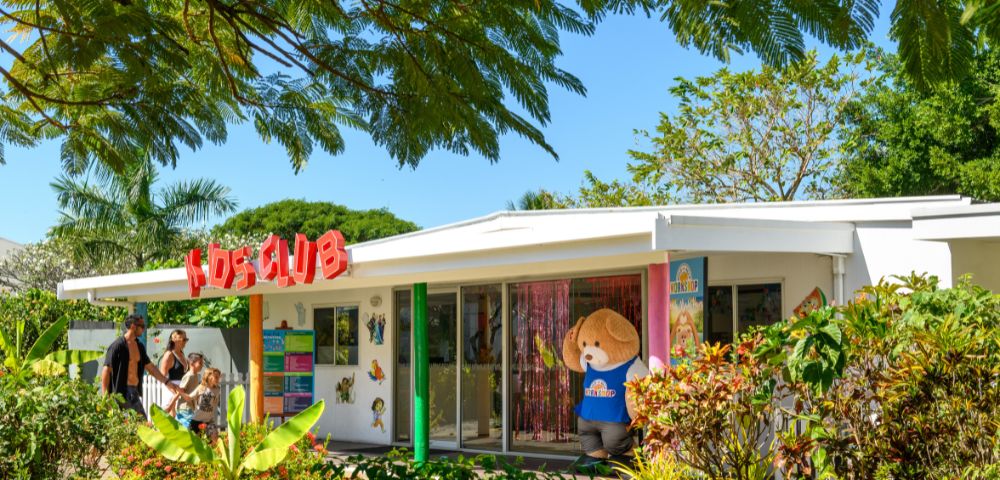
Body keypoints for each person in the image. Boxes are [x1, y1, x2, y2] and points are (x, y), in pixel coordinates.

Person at [101, 314, 181, 418]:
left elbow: (151, 368)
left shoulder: (139, 346)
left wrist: (167, 382)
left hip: (134, 391)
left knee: (132, 425)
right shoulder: (117, 346)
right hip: (122, 392)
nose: (144, 329)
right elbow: (106, 371)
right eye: (142, 326)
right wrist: (105, 398)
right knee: (141, 423)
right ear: (133, 326)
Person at [158, 329, 189, 414]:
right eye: (183, 339)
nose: (185, 341)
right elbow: (162, 377)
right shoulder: (169, 355)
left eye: (186, 339)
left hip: (181, 392)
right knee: (172, 419)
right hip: (171, 392)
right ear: (174, 339)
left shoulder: (182, 354)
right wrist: (174, 392)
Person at [189, 367, 223, 443]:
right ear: (209, 376)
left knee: (215, 438)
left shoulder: (217, 389)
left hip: (209, 421)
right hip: (196, 420)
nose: (218, 379)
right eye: (216, 377)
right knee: (196, 443)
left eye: (219, 377)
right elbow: (189, 398)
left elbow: (214, 404)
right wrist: (178, 392)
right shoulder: (201, 388)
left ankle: (213, 453)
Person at [173, 353, 205, 428]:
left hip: (190, 407)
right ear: (192, 363)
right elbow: (179, 391)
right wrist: (171, 404)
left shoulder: (196, 375)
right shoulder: (188, 376)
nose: (202, 365)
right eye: (200, 363)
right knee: (189, 429)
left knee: (187, 429)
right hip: (184, 408)